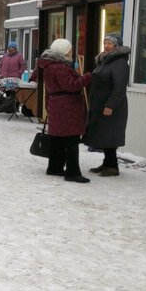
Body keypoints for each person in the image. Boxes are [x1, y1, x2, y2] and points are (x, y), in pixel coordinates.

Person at [34, 38, 92, 183]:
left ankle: (54, 167)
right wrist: (87, 77)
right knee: (71, 140)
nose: (72, 52)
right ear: (64, 52)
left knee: (57, 138)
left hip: (56, 103)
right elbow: (71, 85)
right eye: (70, 50)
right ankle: (72, 172)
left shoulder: (49, 65)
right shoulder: (60, 67)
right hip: (67, 105)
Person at [84, 33, 130, 177]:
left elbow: (119, 87)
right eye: (105, 43)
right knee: (104, 134)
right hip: (100, 104)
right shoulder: (105, 61)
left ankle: (112, 167)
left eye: (109, 43)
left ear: (116, 46)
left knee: (110, 135)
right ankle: (107, 163)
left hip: (112, 106)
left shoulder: (119, 63)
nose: (106, 46)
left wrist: (110, 105)